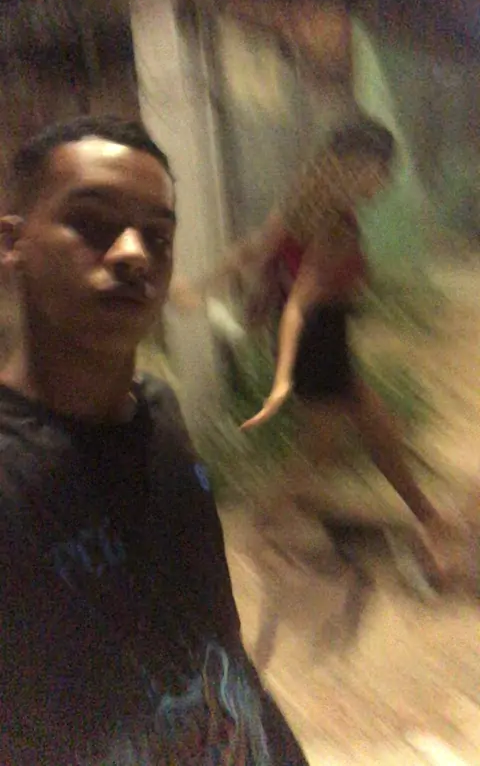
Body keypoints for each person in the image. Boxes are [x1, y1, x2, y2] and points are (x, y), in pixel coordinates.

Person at [0, 116, 308, 765]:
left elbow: (214, 642)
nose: (133, 253)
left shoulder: (159, 417)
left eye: (158, 236)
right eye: (91, 223)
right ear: (12, 243)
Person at [178, 118, 451, 576]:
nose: (384, 183)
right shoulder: (333, 220)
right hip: (317, 341)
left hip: (321, 338)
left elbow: (253, 251)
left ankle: (428, 518)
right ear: (358, 166)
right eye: (382, 171)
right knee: (325, 450)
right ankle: (260, 528)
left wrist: (202, 288)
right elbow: (306, 287)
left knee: (375, 430)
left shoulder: (302, 207)